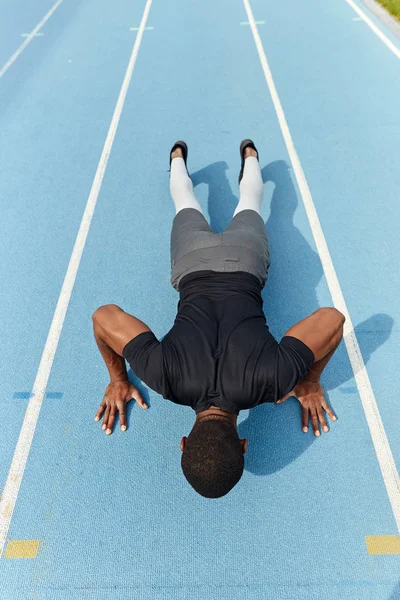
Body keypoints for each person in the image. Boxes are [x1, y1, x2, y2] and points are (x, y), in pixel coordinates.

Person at [92, 140, 345, 498]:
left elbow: (331, 319)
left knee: (252, 204)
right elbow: (105, 317)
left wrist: (309, 379)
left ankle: (250, 157)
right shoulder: (163, 375)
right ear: (183, 442)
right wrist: (118, 378)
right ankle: (178, 156)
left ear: (242, 443)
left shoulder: (274, 378)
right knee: (185, 203)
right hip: (192, 261)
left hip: (246, 259)